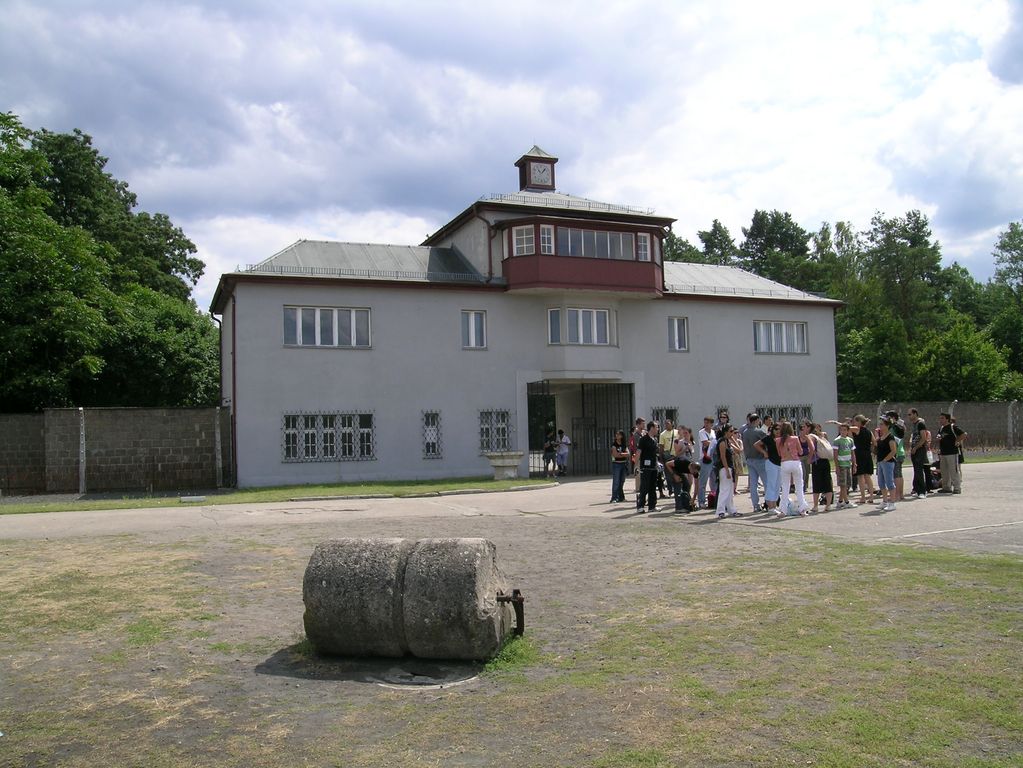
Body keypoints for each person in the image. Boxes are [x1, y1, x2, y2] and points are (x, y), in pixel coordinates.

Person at [776, 420, 810, 516]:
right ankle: (802, 509)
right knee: (799, 486)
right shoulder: (795, 438)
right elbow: (801, 452)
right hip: (795, 462)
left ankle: (783, 510)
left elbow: (779, 453)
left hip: (785, 463)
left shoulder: (778, 440)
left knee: (785, 487)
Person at [755, 421, 782, 515]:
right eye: (776, 429)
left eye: (780, 429)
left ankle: (774, 505)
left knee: (778, 485)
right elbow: (756, 444)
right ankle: (770, 506)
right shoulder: (769, 438)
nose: (778, 431)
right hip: (771, 462)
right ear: (772, 430)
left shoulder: (782, 439)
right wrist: (764, 452)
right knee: (771, 484)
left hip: (780, 463)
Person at [936, 412, 967, 494]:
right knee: (944, 471)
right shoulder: (941, 428)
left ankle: (957, 488)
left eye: (942, 418)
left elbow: (964, 434)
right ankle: (946, 487)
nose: (940, 420)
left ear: (947, 419)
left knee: (954, 471)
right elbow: (939, 437)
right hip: (943, 453)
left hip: (952, 453)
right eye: (940, 418)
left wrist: (957, 440)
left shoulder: (952, 427)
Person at [665, 440, 700, 513]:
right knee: (678, 485)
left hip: (679, 471)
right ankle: (679, 508)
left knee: (687, 485)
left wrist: (693, 499)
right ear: (690, 467)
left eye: (695, 473)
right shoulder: (682, 462)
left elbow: (696, 486)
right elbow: (667, 464)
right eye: (693, 472)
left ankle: (686, 503)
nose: (693, 474)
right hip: (671, 468)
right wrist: (674, 475)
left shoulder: (695, 471)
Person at [742, 413, 767, 513]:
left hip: (749, 459)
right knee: (766, 482)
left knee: (753, 484)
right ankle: (768, 503)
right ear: (756, 421)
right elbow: (766, 441)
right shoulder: (759, 432)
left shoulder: (745, 432)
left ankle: (755, 505)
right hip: (759, 459)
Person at [714, 424, 741, 518]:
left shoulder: (728, 441)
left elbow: (740, 450)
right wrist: (727, 470)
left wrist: (733, 439)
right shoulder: (722, 442)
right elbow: (722, 457)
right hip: (724, 468)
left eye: (733, 431)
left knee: (730, 491)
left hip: (730, 467)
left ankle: (731, 510)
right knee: (724, 490)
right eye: (730, 431)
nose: (732, 433)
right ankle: (720, 511)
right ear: (725, 432)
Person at [850, 414, 876, 505]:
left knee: (860, 476)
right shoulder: (869, 432)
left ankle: (863, 497)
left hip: (859, 455)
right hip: (867, 454)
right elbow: (874, 443)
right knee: (868, 476)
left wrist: (836, 423)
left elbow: (846, 428)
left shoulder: (857, 429)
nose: (853, 423)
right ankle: (871, 496)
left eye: (855, 421)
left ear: (859, 422)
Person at [636, 421, 660, 513]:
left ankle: (652, 506)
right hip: (645, 467)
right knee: (644, 487)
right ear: (652, 428)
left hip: (653, 467)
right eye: (656, 427)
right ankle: (640, 506)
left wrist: (657, 464)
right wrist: (636, 466)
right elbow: (638, 452)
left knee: (652, 487)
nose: (657, 429)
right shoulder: (643, 439)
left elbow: (655, 453)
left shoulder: (655, 439)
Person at [830, 422, 857, 509]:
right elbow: (835, 454)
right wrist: (837, 466)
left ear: (848, 431)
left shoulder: (850, 440)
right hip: (841, 465)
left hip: (848, 464)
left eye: (845, 430)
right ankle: (846, 501)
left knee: (847, 484)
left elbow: (852, 453)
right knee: (843, 484)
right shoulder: (837, 441)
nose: (843, 431)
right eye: (841, 430)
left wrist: (854, 464)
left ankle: (840, 501)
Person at [809, 423, 834, 513]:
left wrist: (809, 459)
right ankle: (828, 505)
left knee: (816, 483)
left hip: (817, 462)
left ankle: (815, 506)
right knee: (827, 482)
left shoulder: (811, 437)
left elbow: (811, 449)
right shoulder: (822, 436)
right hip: (826, 461)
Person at [907, 408, 931, 499]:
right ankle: (917, 489)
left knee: (919, 470)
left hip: (920, 449)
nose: (909, 416)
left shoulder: (920, 424)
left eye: (910, 414)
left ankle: (922, 491)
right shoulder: (914, 424)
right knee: (916, 470)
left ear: (915, 414)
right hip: (914, 449)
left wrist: (916, 447)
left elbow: (923, 437)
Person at [875, 418, 898, 511]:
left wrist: (885, 459)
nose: (880, 426)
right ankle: (884, 501)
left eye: (882, 424)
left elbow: (893, 451)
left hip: (887, 462)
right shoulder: (881, 436)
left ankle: (892, 502)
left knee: (889, 482)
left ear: (887, 426)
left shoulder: (890, 437)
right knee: (881, 482)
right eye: (880, 424)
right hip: (880, 462)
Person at [697, 416, 716, 508]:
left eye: (708, 423)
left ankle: (714, 499)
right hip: (705, 458)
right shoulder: (702, 432)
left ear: (712, 424)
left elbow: (712, 442)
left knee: (714, 481)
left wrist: (713, 443)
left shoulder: (713, 432)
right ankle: (701, 501)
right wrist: (714, 443)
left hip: (713, 457)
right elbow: (705, 442)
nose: (706, 424)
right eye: (705, 422)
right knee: (703, 481)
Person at [609, 430, 630, 503]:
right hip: (616, 464)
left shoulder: (624, 445)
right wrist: (622, 454)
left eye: (618, 434)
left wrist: (620, 454)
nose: (617, 436)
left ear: (622, 436)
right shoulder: (614, 445)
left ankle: (621, 497)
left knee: (622, 481)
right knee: (616, 481)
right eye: (616, 434)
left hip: (623, 464)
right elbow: (615, 455)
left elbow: (628, 454)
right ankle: (614, 497)